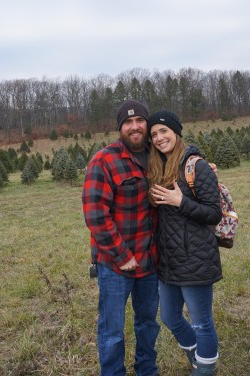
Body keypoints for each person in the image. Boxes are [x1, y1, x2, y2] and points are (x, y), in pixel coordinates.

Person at [82, 100, 160, 376]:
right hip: (116, 264)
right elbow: (95, 214)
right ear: (120, 128)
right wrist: (122, 255)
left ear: (147, 124)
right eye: (128, 122)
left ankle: (147, 369)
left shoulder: (158, 155)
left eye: (140, 120)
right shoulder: (104, 160)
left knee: (148, 323)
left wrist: (204, 168)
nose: (135, 127)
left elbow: (186, 165)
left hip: (150, 260)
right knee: (112, 330)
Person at [147, 110, 223, 376]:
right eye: (154, 134)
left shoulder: (196, 166)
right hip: (168, 260)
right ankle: (197, 357)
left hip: (195, 258)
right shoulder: (157, 168)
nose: (159, 138)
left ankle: (205, 369)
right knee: (170, 317)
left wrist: (180, 202)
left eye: (164, 131)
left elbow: (214, 213)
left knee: (201, 322)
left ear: (176, 132)